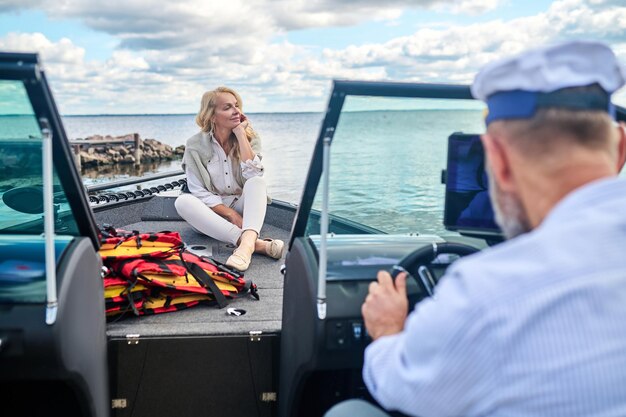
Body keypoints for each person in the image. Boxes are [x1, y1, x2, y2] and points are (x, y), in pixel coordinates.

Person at [326, 41, 626, 416]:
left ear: (495, 161)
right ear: (620, 149)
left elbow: (402, 389)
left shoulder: (489, 293)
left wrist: (387, 330)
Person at [175, 87, 284, 272]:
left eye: (236, 106)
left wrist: (241, 134)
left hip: (244, 209)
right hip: (211, 216)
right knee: (182, 201)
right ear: (211, 115)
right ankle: (254, 243)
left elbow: (254, 175)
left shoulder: (250, 138)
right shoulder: (194, 145)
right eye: (227, 107)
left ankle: (244, 248)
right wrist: (230, 214)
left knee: (257, 182)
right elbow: (197, 190)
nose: (236, 112)